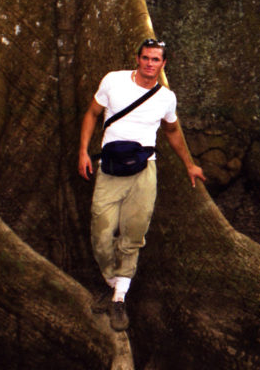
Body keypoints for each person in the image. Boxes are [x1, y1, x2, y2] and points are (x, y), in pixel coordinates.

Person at [78, 38, 206, 331]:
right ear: (138, 59)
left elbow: (173, 131)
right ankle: (113, 280)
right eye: (146, 58)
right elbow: (92, 114)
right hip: (110, 168)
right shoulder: (114, 81)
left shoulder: (166, 98)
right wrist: (83, 151)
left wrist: (189, 165)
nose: (150, 64)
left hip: (144, 169)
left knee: (134, 232)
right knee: (101, 231)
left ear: (164, 64)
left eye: (156, 60)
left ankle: (119, 297)